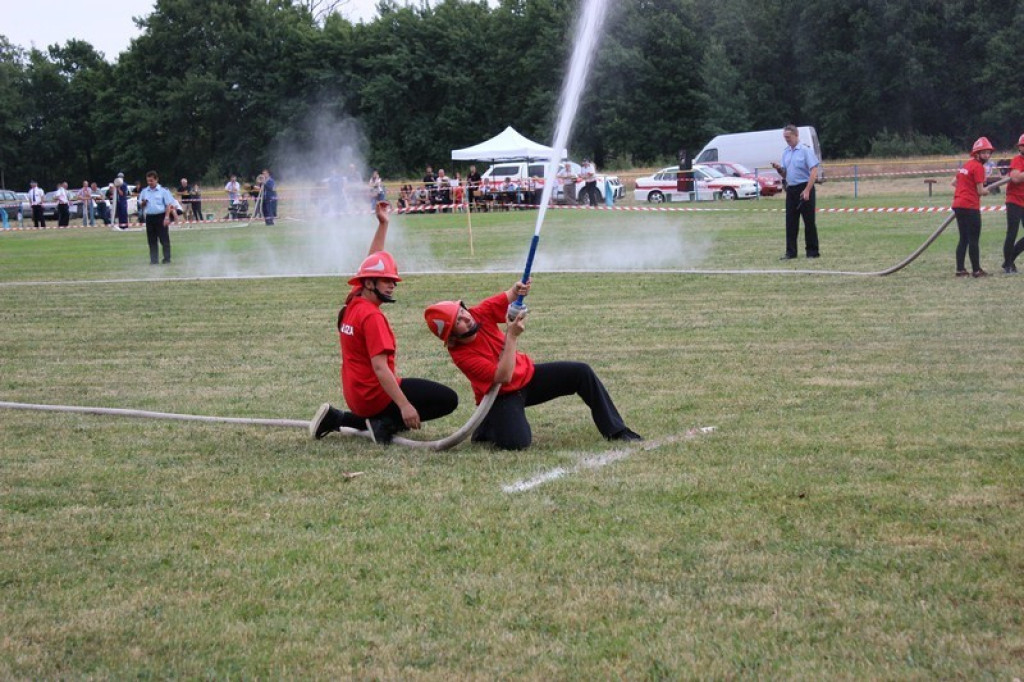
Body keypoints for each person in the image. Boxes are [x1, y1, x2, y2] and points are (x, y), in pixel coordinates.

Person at [423, 282, 642, 450]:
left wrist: (518, 288)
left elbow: (509, 295)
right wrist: (512, 336)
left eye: (463, 311)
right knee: (517, 443)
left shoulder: (479, 313)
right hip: (502, 396)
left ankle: (616, 430)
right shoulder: (462, 356)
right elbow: (504, 376)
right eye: (459, 320)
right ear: (451, 335)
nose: (466, 317)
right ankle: (488, 427)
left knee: (580, 372)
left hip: (528, 376)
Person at [309, 201, 458, 444]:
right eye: (386, 280)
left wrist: (383, 224)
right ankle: (384, 423)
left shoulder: (354, 301)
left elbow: (371, 262)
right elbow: (380, 369)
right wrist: (405, 406)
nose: (392, 284)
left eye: (393, 280)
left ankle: (339, 418)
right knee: (447, 399)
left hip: (355, 393)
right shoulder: (372, 317)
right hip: (373, 396)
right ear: (369, 284)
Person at [771, 124, 821, 259]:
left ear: (796, 135)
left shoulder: (805, 150)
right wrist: (779, 169)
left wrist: (807, 190)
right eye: (785, 137)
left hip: (804, 188)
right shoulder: (786, 152)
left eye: (788, 137)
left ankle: (812, 252)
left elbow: (814, 170)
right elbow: (785, 174)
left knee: (809, 222)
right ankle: (791, 252)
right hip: (791, 189)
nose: (787, 139)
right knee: (791, 222)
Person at [951, 137, 994, 277]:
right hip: (970, 206)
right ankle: (976, 270)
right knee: (973, 238)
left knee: (963, 238)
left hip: (958, 204)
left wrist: (966, 188)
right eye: (984, 153)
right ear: (976, 154)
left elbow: (954, 182)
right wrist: (987, 191)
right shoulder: (978, 167)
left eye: (988, 153)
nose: (987, 156)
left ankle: (960, 269)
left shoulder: (966, 165)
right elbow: (981, 191)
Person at [138, 170, 176, 264]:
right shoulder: (144, 191)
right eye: (148, 181)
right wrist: (143, 203)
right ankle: (154, 260)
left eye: (151, 180)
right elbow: (140, 204)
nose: (149, 183)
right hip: (150, 217)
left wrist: (167, 217)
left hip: (161, 217)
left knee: (164, 239)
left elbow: (168, 205)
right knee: (152, 240)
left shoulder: (163, 191)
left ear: (156, 179)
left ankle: (167, 259)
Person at [1001, 134, 1024, 274]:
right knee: (1012, 232)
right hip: (1014, 200)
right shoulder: (1017, 160)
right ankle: (1008, 264)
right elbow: (1015, 178)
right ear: (1020, 147)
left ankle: (1008, 261)